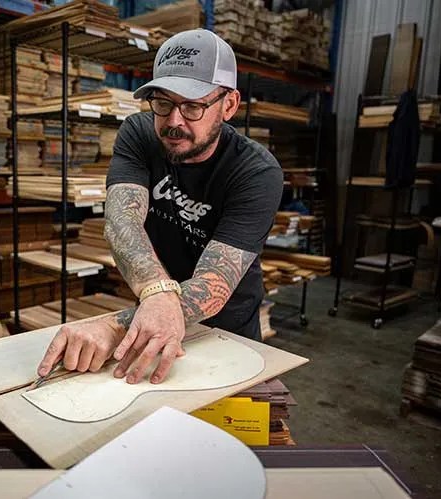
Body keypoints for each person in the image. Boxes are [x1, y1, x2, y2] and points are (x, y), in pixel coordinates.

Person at [37, 29, 282, 386]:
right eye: (163, 103)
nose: (173, 122)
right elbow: (122, 222)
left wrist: (113, 326)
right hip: (150, 315)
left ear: (228, 105)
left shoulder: (257, 172)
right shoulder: (139, 133)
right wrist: (155, 294)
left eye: (193, 106)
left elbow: (214, 282)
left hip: (225, 331)